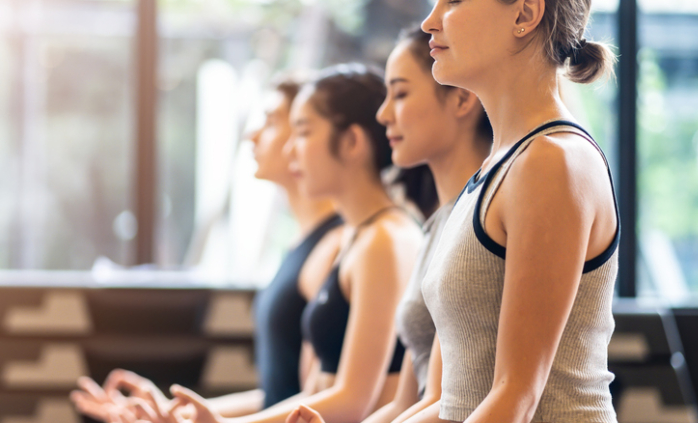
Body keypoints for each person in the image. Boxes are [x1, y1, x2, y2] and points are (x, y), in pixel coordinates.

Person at [70, 78, 346, 420]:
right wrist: (177, 413)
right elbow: (281, 392)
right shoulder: (301, 243)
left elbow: (317, 395)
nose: (253, 135)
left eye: (273, 122)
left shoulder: (335, 247)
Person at [167, 63, 427, 423]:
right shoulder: (360, 235)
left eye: (303, 133)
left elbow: (355, 400)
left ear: (352, 141)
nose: (291, 151)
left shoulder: (385, 240)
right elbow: (311, 391)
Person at [403, 0, 620, 421]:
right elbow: (449, 403)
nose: (430, 21)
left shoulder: (552, 162)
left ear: (524, 14)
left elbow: (515, 398)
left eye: (454, 1)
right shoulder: (496, 167)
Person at [359, 24, 493, 423]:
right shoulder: (439, 223)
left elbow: (446, 403)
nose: (383, 114)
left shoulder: (480, 219)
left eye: (400, 93)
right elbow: (408, 402)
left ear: (462, 99)